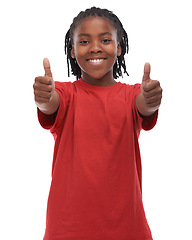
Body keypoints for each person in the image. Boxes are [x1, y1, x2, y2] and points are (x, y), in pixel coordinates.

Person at [33, 7, 162, 240]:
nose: (95, 47)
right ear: (72, 51)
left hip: (126, 228)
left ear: (119, 47)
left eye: (105, 40)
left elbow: (144, 106)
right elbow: (51, 104)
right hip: (67, 229)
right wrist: (44, 97)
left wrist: (151, 100)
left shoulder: (132, 94)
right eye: (84, 41)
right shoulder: (66, 93)